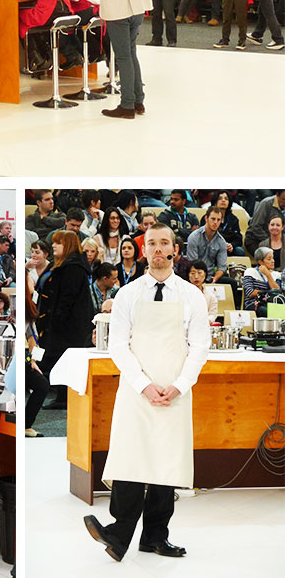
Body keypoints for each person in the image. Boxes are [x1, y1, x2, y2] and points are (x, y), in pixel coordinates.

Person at [84, 223, 209, 563]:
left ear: (174, 250)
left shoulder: (191, 296)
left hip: (175, 390)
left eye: (163, 243)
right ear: (143, 251)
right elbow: (118, 346)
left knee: (165, 464)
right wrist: (144, 384)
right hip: (137, 389)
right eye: (151, 243)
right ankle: (119, 531)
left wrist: (179, 385)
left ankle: (155, 536)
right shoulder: (128, 294)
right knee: (130, 457)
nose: (157, 249)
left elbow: (200, 347)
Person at [37, 230, 93, 408]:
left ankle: (64, 397)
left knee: (61, 358)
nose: (53, 245)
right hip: (61, 322)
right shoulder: (63, 265)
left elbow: (67, 299)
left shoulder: (73, 268)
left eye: (58, 243)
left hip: (69, 325)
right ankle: (62, 396)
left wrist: (56, 320)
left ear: (67, 245)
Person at [242, 247, 282, 312]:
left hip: (272, 303)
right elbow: (250, 293)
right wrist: (269, 293)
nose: (273, 261)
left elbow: (277, 292)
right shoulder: (250, 271)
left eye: (273, 258)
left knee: (281, 313)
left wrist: (268, 275)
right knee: (271, 312)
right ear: (260, 262)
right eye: (269, 259)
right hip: (255, 303)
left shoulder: (276, 274)